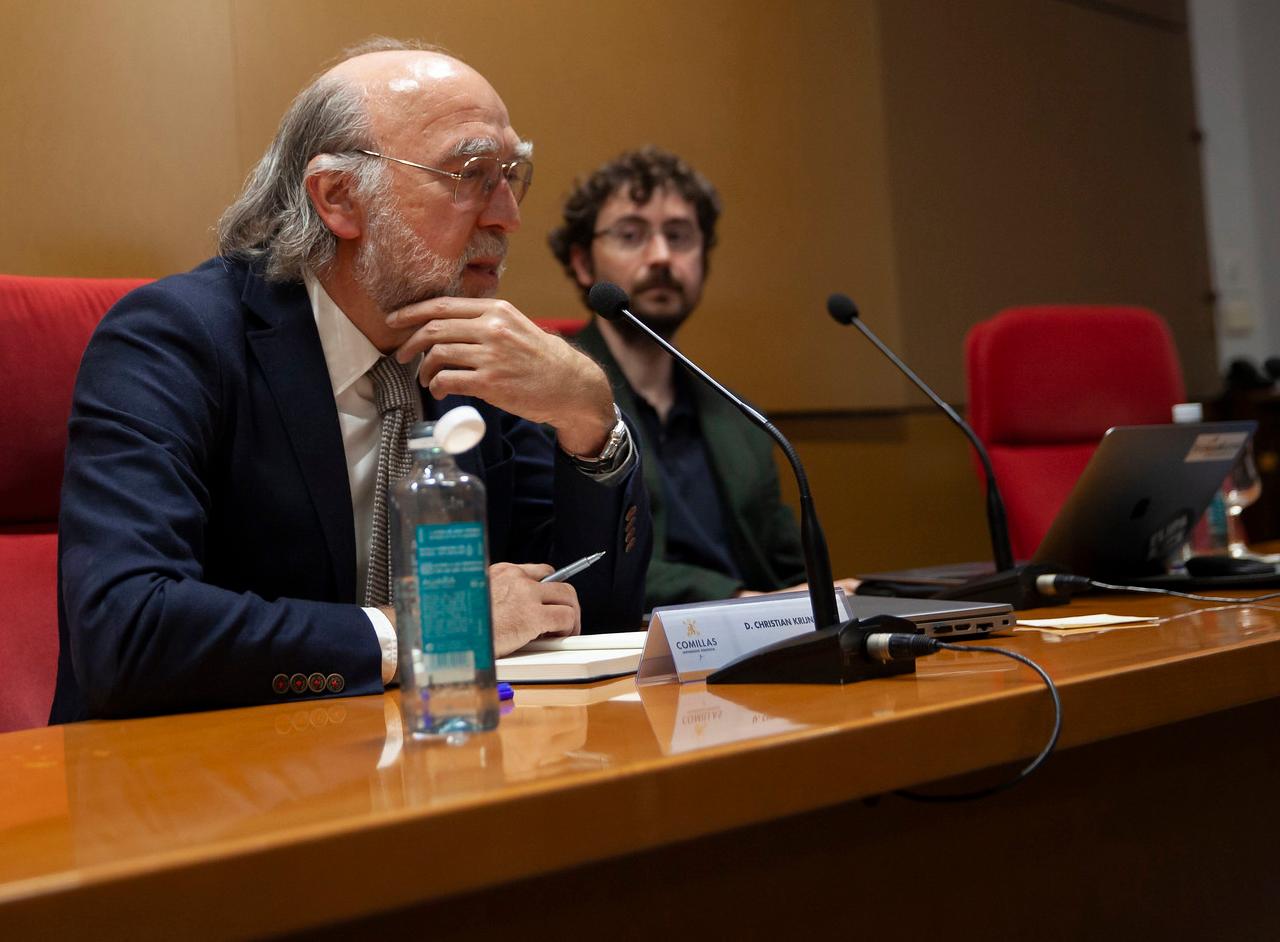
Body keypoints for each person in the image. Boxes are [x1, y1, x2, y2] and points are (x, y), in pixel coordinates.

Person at [51, 41, 650, 722]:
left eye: (513, 175)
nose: (507, 215)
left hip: (427, 771)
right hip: (189, 788)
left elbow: (592, 616)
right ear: (339, 198)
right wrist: (425, 633)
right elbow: (127, 632)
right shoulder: (175, 341)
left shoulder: (479, 357)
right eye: (472, 174)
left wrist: (589, 422)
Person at [548, 147, 858, 610]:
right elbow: (580, 560)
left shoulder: (741, 418)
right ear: (582, 263)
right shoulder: (551, 400)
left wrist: (832, 599)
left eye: (679, 236)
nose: (661, 257)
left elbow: (787, 568)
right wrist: (738, 600)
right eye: (631, 235)